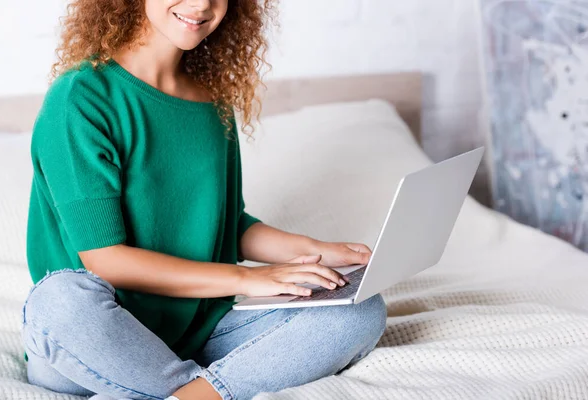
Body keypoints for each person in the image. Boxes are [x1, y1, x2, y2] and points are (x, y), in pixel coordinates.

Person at [21, 1, 387, 399]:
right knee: (57, 301)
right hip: (100, 341)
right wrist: (248, 278)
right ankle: (205, 388)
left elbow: (228, 224)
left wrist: (317, 252)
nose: (201, 4)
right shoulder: (80, 99)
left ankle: (192, 393)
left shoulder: (213, 102)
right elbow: (105, 259)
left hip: (199, 334)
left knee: (360, 306)